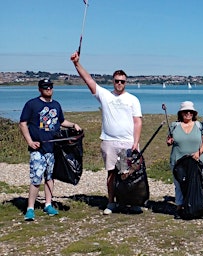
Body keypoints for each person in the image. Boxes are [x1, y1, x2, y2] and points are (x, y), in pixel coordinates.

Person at [70, 52, 143, 215]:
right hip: (109, 142)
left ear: (126, 82)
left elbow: (138, 122)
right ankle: (111, 202)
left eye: (122, 81)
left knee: (127, 174)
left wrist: (135, 143)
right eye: (117, 81)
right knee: (111, 173)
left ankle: (130, 202)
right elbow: (88, 80)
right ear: (113, 81)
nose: (119, 84)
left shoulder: (133, 100)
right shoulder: (105, 95)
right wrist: (77, 64)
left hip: (127, 142)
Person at [19, 79, 82, 221]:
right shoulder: (32, 104)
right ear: (40, 89)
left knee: (49, 177)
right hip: (38, 149)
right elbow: (23, 124)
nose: (48, 89)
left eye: (50, 87)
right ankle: (30, 208)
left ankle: (48, 204)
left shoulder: (56, 105)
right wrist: (30, 141)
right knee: (36, 178)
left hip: (52, 149)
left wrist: (73, 125)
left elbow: (61, 122)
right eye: (45, 87)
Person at [167, 101, 203, 218]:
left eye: (190, 112)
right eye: (185, 111)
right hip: (178, 161)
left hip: (196, 160)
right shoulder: (174, 126)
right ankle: (179, 207)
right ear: (181, 113)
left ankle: (195, 206)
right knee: (179, 185)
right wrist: (169, 142)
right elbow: (169, 141)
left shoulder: (200, 126)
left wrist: (199, 152)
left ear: (193, 113)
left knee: (195, 184)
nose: (188, 113)